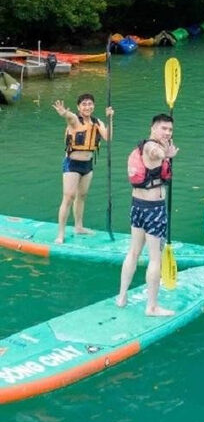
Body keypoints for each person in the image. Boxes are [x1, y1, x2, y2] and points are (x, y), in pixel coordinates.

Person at [116, 113, 179, 317]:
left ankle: (122, 297)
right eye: (164, 129)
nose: (167, 133)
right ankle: (151, 307)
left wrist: (167, 152)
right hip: (153, 209)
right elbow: (155, 154)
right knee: (154, 258)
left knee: (133, 252)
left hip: (137, 206)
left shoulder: (144, 146)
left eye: (170, 130)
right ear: (153, 128)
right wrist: (166, 155)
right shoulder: (152, 147)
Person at [53, 93, 114, 244]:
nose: (87, 107)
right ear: (79, 107)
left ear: (93, 106)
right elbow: (69, 117)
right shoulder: (75, 120)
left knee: (82, 196)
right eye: (84, 104)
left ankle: (78, 227)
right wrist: (64, 113)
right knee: (68, 197)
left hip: (88, 164)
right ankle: (60, 234)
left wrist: (110, 119)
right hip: (72, 164)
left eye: (90, 104)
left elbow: (108, 137)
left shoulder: (97, 122)